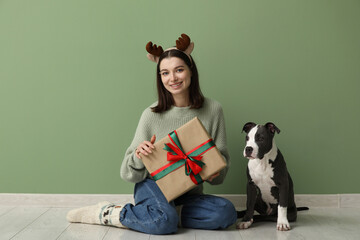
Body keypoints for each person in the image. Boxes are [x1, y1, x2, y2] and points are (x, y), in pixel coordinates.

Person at [67, 33, 237, 235]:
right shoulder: (151, 114)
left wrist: (214, 172)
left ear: (191, 71)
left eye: (179, 70)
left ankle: (167, 214)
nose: (172, 78)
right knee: (164, 223)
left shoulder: (213, 110)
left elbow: (220, 168)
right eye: (165, 73)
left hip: (188, 192)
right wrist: (139, 155)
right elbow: (127, 173)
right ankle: (108, 213)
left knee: (226, 213)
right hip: (152, 186)